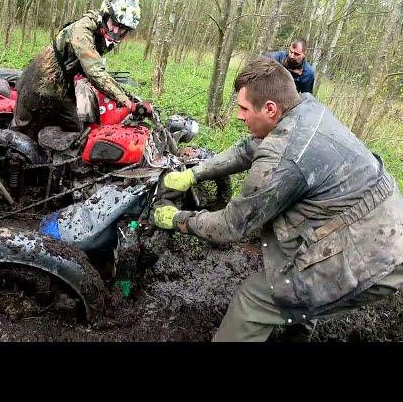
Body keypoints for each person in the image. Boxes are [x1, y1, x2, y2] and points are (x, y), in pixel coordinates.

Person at [150, 57, 403, 342]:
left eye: (243, 108)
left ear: (270, 108)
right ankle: (298, 330)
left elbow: (233, 226)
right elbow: (249, 148)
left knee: (253, 301)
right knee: (288, 257)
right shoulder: (304, 108)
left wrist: (177, 219)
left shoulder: (284, 159)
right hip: (385, 226)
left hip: (373, 257)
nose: (238, 116)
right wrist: (195, 174)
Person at [12, 0, 153, 140]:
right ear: (105, 15)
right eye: (114, 24)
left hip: (64, 88)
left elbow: (98, 71)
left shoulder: (104, 35)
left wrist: (131, 99)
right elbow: (94, 70)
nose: (115, 31)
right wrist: (126, 102)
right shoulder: (82, 30)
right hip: (39, 82)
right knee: (22, 136)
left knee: (76, 135)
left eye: (122, 29)